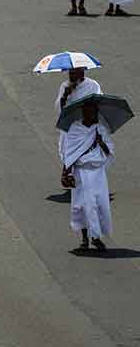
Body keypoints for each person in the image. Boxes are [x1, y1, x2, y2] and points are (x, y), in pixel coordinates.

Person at [61, 100, 114, 252]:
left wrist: (100, 141)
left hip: (97, 173)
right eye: (91, 112)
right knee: (82, 205)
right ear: (84, 113)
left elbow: (109, 150)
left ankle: (96, 237)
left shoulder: (101, 129)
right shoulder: (75, 129)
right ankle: (85, 239)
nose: (94, 115)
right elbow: (69, 152)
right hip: (81, 173)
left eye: (95, 112)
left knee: (99, 204)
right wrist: (66, 172)